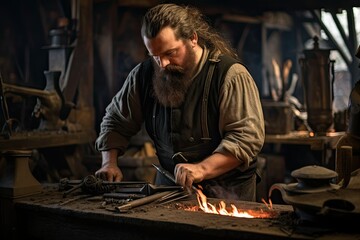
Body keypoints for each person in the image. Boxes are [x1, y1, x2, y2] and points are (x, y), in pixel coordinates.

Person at [95, 3, 264, 201]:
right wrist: (109, 162)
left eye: (170, 53)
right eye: (155, 56)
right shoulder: (144, 75)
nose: (163, 64)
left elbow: (246, 139)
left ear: (193, 38)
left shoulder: (230, 76)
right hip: (170, 190)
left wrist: (202, 169)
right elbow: (116, 120)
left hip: (228, 195)